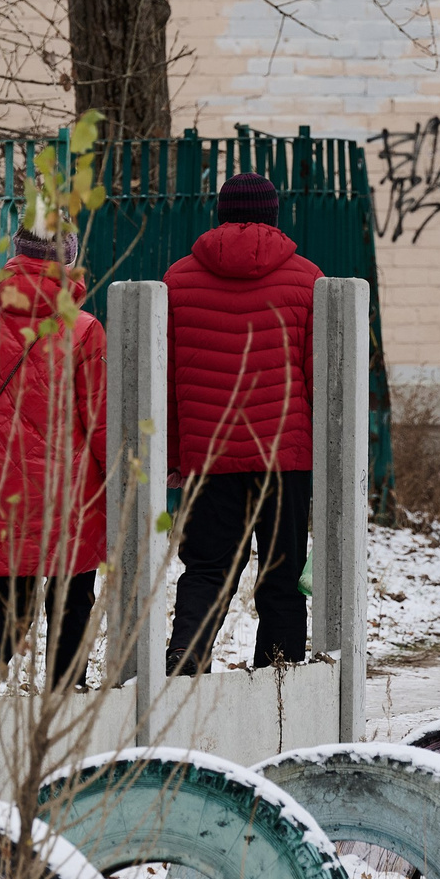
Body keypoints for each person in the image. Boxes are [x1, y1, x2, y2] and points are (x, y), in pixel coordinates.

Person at [0, 212, 106, 702]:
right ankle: (64, 699)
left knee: (4, 603)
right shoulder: (84, 330)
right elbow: (99, 422)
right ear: (70, 260)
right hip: (69, 493)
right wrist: (118, 491)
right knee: (72, 598)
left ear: (16, 255)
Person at [163, 171, 322, 675]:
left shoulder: (177, 280)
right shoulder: (308, 279)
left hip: (208, 457)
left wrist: (174, 457)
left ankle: (183, 678)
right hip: (285, 458)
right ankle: (281, 687)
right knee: (282, 575)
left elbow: (166, 382)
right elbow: (320, 380)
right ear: (275, 214)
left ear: (220, 214)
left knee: (207, 571)